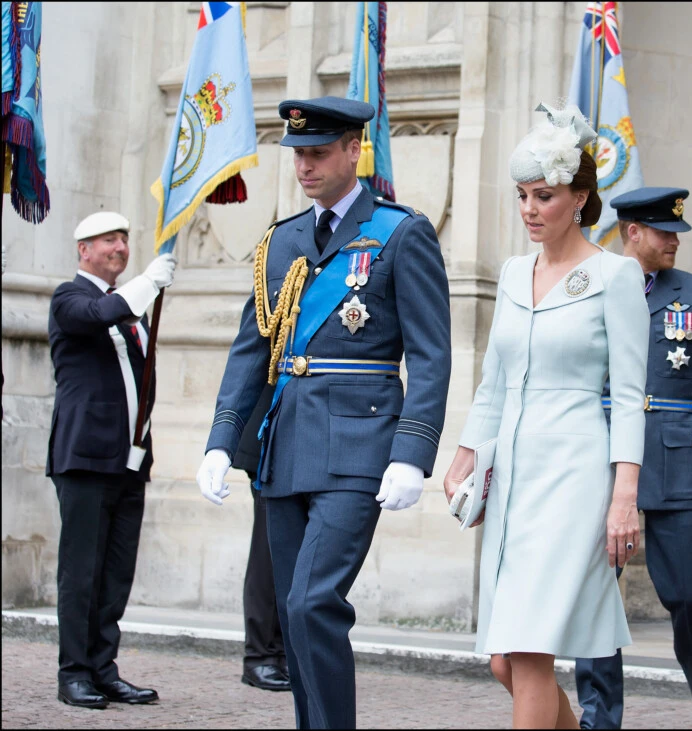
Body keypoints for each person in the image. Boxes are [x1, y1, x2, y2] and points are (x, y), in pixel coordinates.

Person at [195, 96, 451, 730]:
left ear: (352, 151)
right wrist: (222, 438)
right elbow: (252, 348)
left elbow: (431, 355)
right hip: (285, 446)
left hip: (360, 447)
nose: (304, 167)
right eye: (297, 155)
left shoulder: (400, 233)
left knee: (313, 601)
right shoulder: (280, 241)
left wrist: (412, 452)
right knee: (291, 610)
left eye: (316, 153)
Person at [443, 103, 649, 730]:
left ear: (580, 198)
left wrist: (625, 497)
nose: (530, 209)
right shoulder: (512, 274)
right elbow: (494, 381)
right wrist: (466, 454)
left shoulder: (615, 275)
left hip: (575, 475)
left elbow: (631, 394)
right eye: (522, 196)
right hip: (512, 477)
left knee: (530, 650)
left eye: (544, 196)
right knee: (503, 661)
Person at [574, 188, 692, 731]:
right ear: (633, 232)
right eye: (665, 232)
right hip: (603, 453)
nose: (675, 241)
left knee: (689, 593)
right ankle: (599, 715)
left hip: (675, 456)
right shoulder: (590, 283)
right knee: (596, 589)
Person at [47, 211, 176, 708]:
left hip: (129, 460)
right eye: (108, 240)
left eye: (124, 239)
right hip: (84, 457)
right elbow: (98, 315)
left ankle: (103, 669)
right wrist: (148, 283)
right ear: (84, 250)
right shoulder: (70, 298)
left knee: (115, 573)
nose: (120, 247)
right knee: (81, 572)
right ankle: (74, 672)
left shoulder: (129, 310)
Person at [232, 384, 290, 692]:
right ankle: (261, 655)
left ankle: (282, 653)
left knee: (293, 557)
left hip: (302, 438)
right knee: (268, 555)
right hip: (273, 436)